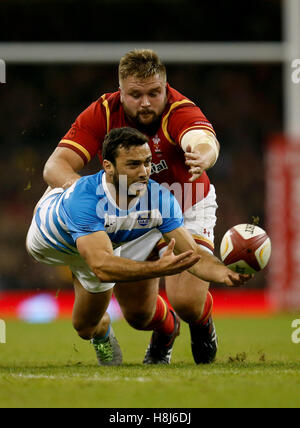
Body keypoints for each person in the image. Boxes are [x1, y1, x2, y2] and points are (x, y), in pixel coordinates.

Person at [43, 49, 224, 365]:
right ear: (121, 92)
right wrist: (82, 193)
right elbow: (55, 166)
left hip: (186, 204)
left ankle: (201, 320)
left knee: (186, 302)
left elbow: (202, 139)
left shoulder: (180, 110)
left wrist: (203, 155)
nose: (145, 102)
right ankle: (166, 332)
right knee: (139, 315)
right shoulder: (103, 112)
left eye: (154, 93)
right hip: (132, 212)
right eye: (135, 95)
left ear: (165, 89)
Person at [27, 127, 250, 366]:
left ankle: (102, 330)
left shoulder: (160, 198)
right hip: (51, 243)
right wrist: (158, 269)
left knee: (85, 327)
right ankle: (103, 333)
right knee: (98, 257)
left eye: (147, 163)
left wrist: (223, 272)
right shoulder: (86, 200)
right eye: (133, 165)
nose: (144, 172)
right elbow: (103, 268)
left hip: (99, 246)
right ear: (108, 166)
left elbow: (192, 254)